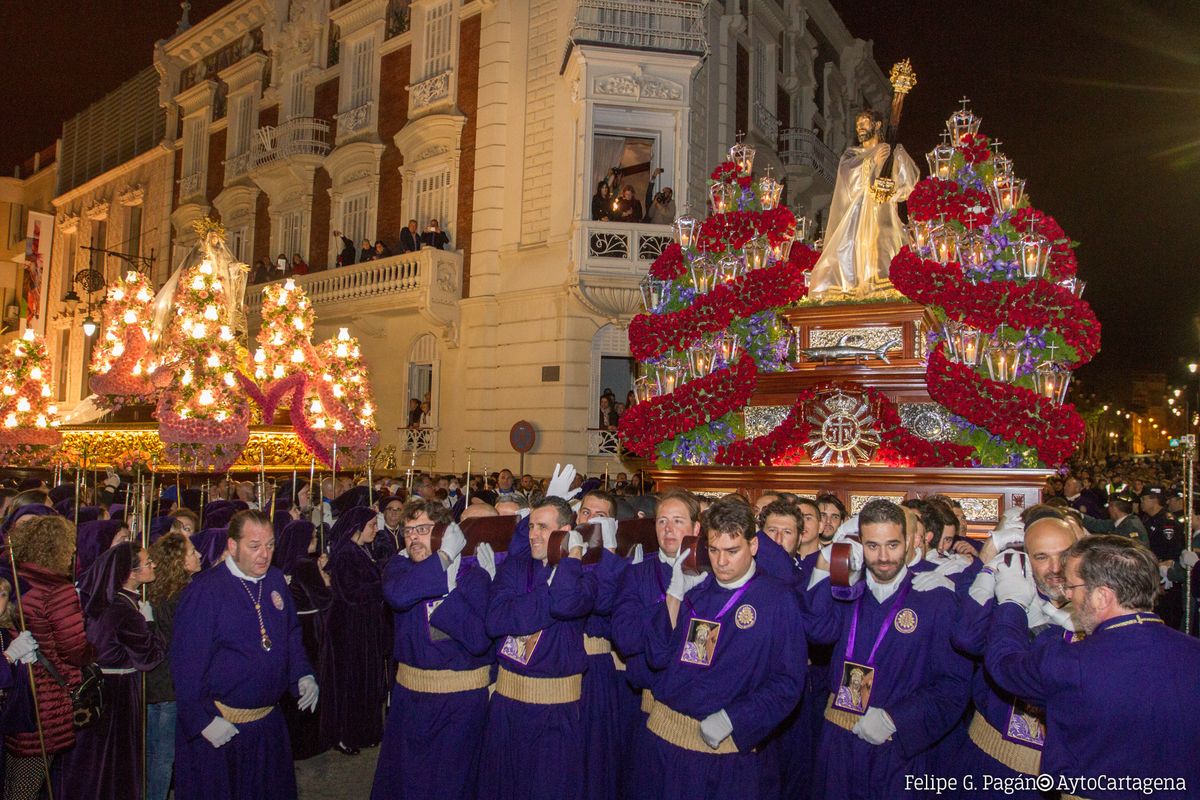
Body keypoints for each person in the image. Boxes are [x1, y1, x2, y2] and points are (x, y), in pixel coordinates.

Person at [985, 534, 1200, 795]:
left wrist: (1011, 603)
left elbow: (1004, 666)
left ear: (1102, 597)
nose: (1068, 596)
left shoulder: (1070, 662)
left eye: (1072, 587)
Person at [803, 499, 972, 798]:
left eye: (893, 545)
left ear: (910, 542)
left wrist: (896, 719)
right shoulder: (847, 589)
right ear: (859, 545)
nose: (883, 557)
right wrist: (823, 565)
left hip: (897, 748)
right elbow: (817, 632)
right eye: (872, 546)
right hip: (839, 742)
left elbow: (953, 686)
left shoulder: (935, 599)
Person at [639, 499, 807, 799]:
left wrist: (736, 718)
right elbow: (658, 655)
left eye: (732, 551)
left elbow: (788, 682)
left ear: (753, 546)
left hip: (726, 752)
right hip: (667, 741)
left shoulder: (777, 600)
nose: (721, 562)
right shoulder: (698, 590)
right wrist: (675, 595)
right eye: (714, 550)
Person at [171, 510, 318, 800]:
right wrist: (202, 721)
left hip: (268, 724)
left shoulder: (275, 580)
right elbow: (186, 665)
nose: (264, 554)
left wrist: (302, 673)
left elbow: (290, 635)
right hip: (221, 727)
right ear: (232, 546)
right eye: (254, 546)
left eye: (271, 545)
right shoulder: (206, 590)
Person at [946, 515, 1080, 796]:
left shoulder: (1099, 607)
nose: (1055, 568)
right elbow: (966, 638)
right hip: (992, 764)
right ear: (1025, 558)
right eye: (1042, 557)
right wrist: (987, 565)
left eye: (1064, 555)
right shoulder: (1009, 592)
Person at [371, 500, 492, 800]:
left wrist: (449, 594)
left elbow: (479, 640)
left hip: (460, 703)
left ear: (443, 532)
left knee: (451, 785)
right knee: (407, 784)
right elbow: (399, 596)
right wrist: (443, 560)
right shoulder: (399, 567)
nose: (413, 537)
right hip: (411, 699)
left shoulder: (472, 574)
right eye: (408, 530)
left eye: (423, 529)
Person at [478, 496, 596, 800]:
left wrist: (570, 558)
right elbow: (495, 620)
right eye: (531, 526)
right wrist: (548, 594)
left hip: (556, 710)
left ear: (564, 531)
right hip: (507, 705)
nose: (533, 534)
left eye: (543, 527)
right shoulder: (515, 568)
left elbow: (567, 602)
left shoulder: (584, 571)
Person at [61, 542, 165, 800]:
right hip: (118, 694)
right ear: (131, 573)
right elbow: (149, 658)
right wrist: (151, 624)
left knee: (99, 759)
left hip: (102, 688)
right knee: (117, 759)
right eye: (148, 562)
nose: (153, 565)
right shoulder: (126, 612)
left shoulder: (106, 603)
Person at [5, 516, 92, 800]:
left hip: (17, 685)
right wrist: (94, 651)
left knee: (13, 773)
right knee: (29, 780)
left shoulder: (16, 579)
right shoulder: (57, 589)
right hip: (47, 694)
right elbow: (73, 648)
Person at [807, 108, 919, 298]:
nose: (859, 127)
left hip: (884, 216)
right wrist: (872, 161)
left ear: (877, 125)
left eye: (864, 122)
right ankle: (853, 289)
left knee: (884, 254)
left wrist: (890, 186)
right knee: (851, 253)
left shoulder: (893, 151)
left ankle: (884, 290)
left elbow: (907, 185)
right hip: (857, 218)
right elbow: (847, 178)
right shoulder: (852, 155)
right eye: (857, 125)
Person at [321, 506, 388, 755]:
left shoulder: (360, 549)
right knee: (351, 681)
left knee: (365, 679)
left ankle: (364, 731)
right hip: (349, 628)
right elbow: (350, 593)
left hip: (363, 624)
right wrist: (384, 585)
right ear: (357, 528)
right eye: (371, 525)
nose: (376, 529)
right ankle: (345, 734)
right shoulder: (346, 554)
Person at [145, 532, 203, 800]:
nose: (199, 555)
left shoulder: (159, 591)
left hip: (155, 683)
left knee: (155, 753)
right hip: (170, 685)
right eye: (192, 552)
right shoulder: (182, 596)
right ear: (179, 562)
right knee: (163, 757)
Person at [273, 519, 331, 760]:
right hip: (309, 629)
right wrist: (324, 576)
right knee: (311, 678)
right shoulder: (305, 564)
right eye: (313, 538)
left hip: (289, 628)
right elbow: (324, 597)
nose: (316, 541)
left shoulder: (280, 565)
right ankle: (309, 741)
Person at [1081, 490, 1150, 547]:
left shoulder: (1131, 526)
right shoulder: (1122, 521)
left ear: (1113, 508)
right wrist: (1079, 515)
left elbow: (1134, 553)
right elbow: (1097, 524)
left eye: (1109, 507)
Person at [371, 495, 406, 564]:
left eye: (398, 510)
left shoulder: (406, 532)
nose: (394, 513)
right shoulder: (375, 533)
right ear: (383, 512)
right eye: (390, 509)